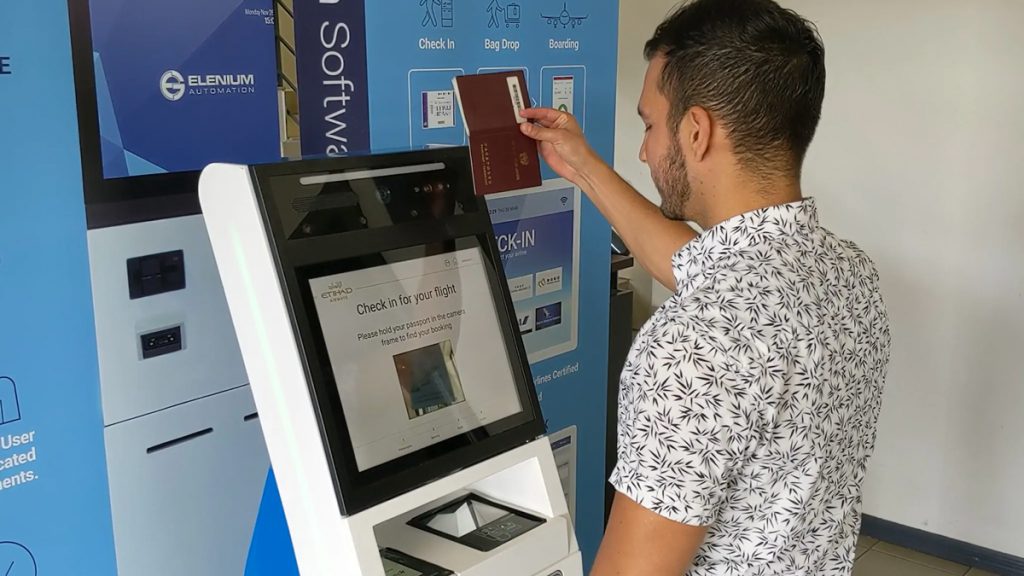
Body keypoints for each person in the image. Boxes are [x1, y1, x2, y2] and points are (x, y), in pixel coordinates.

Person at [519, 0, 892, 574]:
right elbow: (701, 268)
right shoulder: (847, 274)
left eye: (649, 124)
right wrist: (581, 165)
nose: (644, 149)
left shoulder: (695, 341)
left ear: (696, 131)